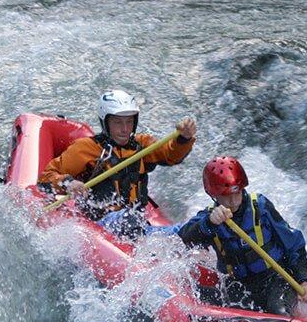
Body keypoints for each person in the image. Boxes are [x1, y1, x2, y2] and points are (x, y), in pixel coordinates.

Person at [38, 89, 196, 238]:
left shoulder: (142, 145)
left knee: (190, 231)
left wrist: (184, 139)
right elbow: (46, 178)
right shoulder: (86, 148)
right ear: (105, 122)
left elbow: (171, 155)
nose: (125, 129)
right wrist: (68, 183)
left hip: (137, 224)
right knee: (129, 219)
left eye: (129, 122)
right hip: (101, 225)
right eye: (118, 123)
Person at [177, 156, 307, 316]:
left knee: (280, 312)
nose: (232, 200)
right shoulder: (209, 218)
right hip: (238, 285)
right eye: (225, 194)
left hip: (275, 280)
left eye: (236, 192)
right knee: (203, 298)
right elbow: (183, 238)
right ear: (214, 195)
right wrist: (208, 223)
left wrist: (305, 281)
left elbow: (294, 245)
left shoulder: (261, 208)